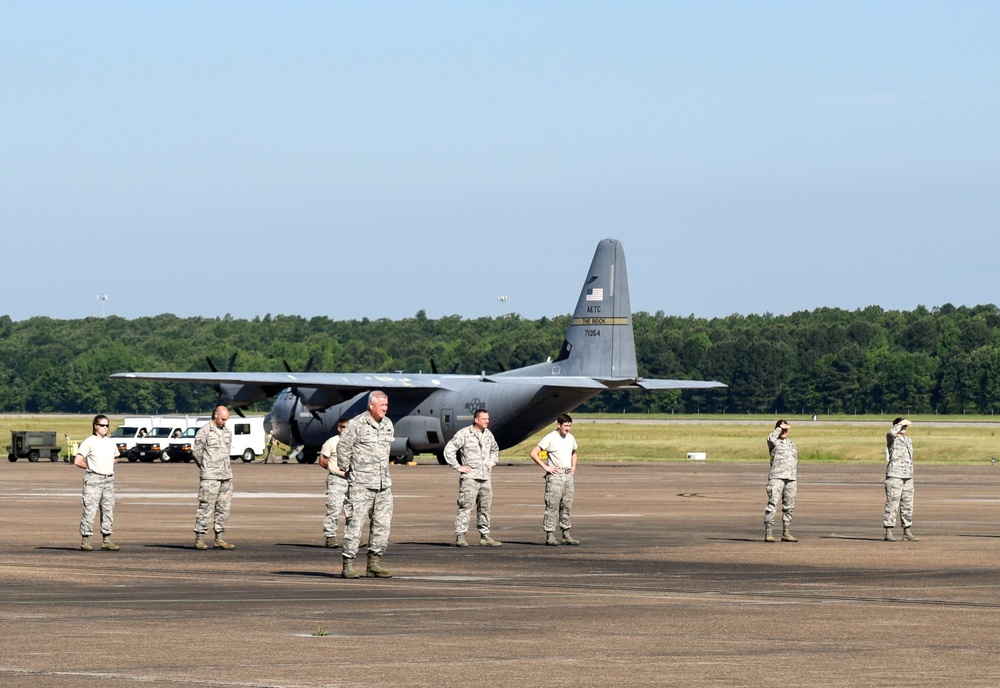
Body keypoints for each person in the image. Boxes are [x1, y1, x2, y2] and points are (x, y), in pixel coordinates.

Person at [337, 391, 394, 578]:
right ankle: (348, 564)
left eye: (386, 405)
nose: (385, 409)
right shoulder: (356, 424)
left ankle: (373, 564)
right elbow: (343, 447)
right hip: (361, 483)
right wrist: (347, 469)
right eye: (381, 405)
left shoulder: (387, 425)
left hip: (383, 484)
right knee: (355, 524)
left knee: (382, 525)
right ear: (371, 405)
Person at [443, 408, 502, 547]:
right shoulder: (464, 433)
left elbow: (495, 449)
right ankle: (461, 536)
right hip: (470, 478)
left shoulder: (488, 434)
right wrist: (458, 467)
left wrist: (492, 463)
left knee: (485, 507)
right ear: (476, 420)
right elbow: (449, 449)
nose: (487, 421)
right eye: (484, 419)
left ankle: (485, 536)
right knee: (465, 507)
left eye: (488, 418)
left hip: (485, 477)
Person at [530, 413, 580, 546]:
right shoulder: (551, 437)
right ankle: (550, 534)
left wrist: (574, 466)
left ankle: (566, 533)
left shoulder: (570, 438)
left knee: (567, 505)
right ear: (559, 425)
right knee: (552, 505)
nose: (568, 428)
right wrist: (546, 467)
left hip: (568, 475)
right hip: (555, 476)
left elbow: (574, 452)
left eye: (569, 425)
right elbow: (534, 453)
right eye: (565, 425)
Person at [74, 414, 120, 551]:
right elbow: (78, 461)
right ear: (95, 426)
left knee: (108, 510)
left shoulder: (110, 442)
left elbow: (116, 457)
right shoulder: (89, 441)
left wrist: (106, 465)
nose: (105, 428)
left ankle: (106, 539)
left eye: (107, 425)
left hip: (108, 480)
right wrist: (92, 467)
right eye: (102, 425)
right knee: (89, 510)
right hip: (94, 479)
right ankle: (86, 540)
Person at [192, 405, 235, 550]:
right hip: (210, 477)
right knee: (206, 506)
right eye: (223, 419)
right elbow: (197, 452)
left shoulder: (227, 431)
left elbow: (227, 451)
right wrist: (206, 467)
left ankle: (219, 538)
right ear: (216, 415)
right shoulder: (205, 431)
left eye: (226, 419)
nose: (224, 422)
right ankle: (200, 538)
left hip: (226, 475)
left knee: (224, 507)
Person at [884, 417, 919, 542]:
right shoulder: (892, 439)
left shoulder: (908, 440)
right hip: (895, 475)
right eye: (902, 426)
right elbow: (890, 433)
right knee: (892, 503)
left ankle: (907, 531)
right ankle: (888, 530)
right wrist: (900, 424)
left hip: (907, 475)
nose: (904, 428)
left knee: (907, 504)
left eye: (905, 426)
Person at [319, 417, 351, 548]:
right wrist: (335, 469)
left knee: (353, 511)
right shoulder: (331, 442)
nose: (346, 430)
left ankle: (352, 537)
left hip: (352, 481)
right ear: (339, 428)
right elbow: (322, 461)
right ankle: (330, 536)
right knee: (334, 509)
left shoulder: (355, 443)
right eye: (344, 427)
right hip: (337, 480)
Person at [764, 420, 798, 542]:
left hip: (791, 478)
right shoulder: (774, 442)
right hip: (776, 477)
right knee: (772, 505)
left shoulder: (792, 444)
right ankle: (768, 533)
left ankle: (786, 532)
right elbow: (770, 438)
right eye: (782, 429)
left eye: (786, 429)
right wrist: (779, 428)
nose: (784, 431)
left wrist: (793, 477)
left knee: (789, 506)